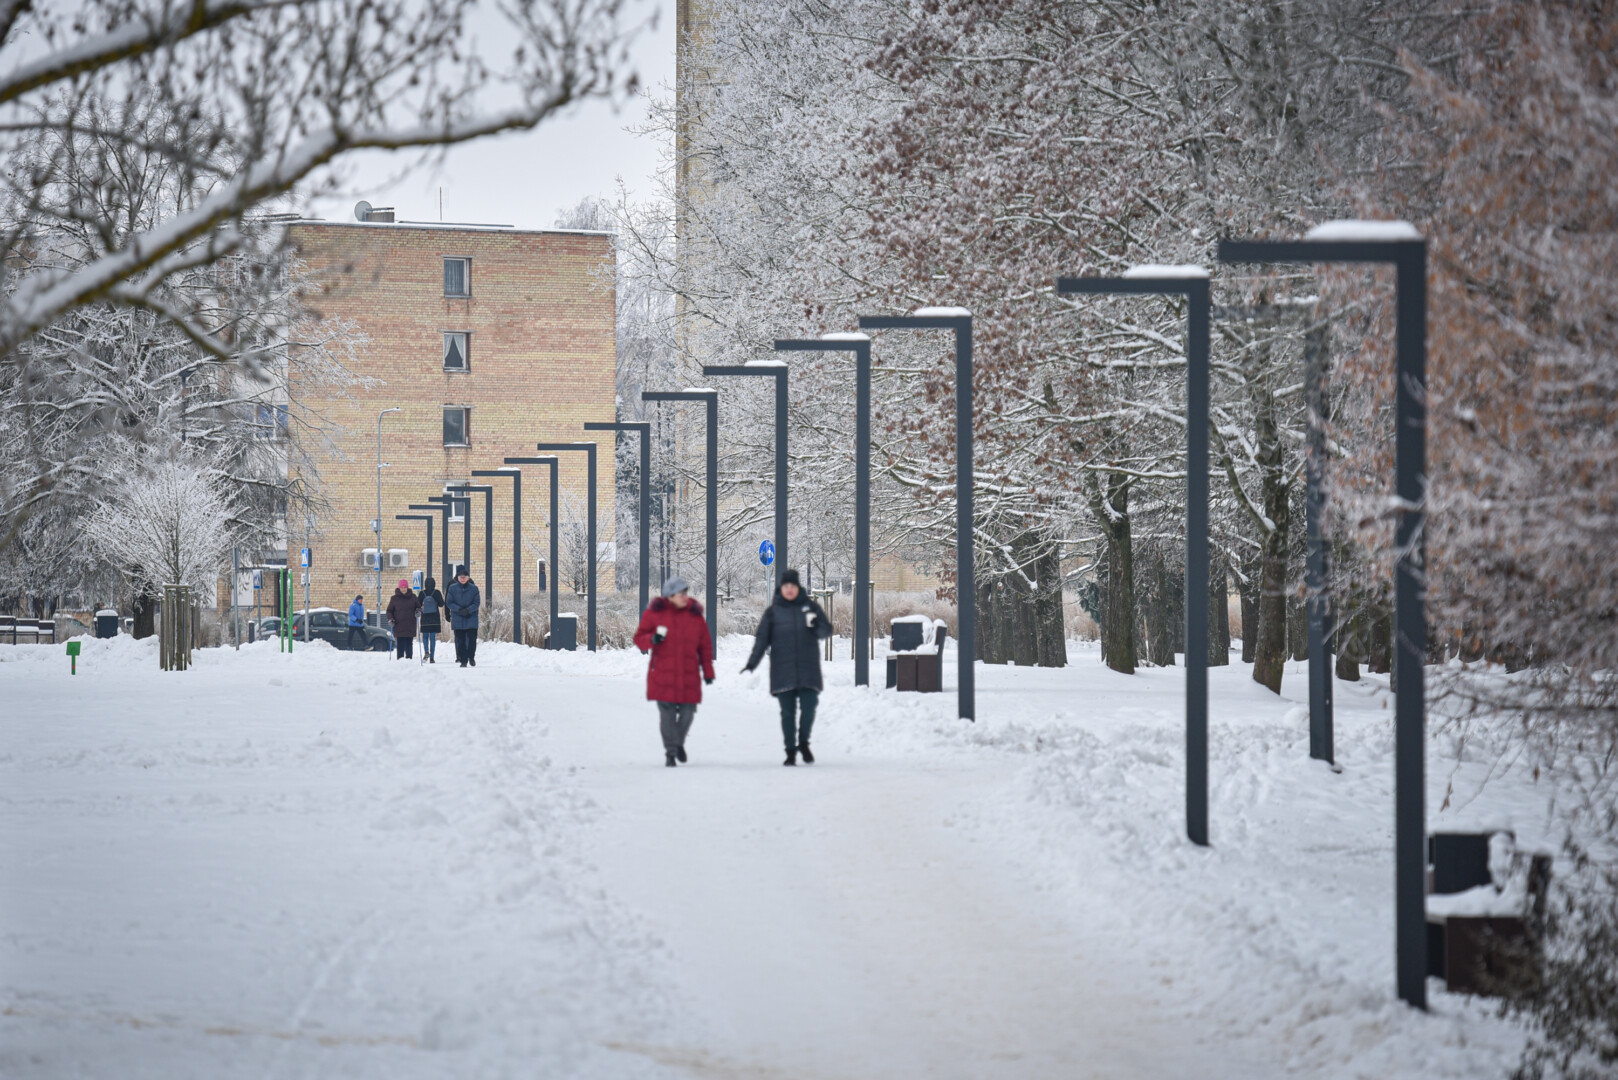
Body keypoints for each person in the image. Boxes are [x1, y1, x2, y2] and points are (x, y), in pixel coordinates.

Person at [742, 568, 833, 766]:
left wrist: (816, 624)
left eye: (792, 586)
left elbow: (825, 632)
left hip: (808, 668)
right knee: (787, 713)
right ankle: (790, 750)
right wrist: (752, 663)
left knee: (809, 708)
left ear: (797, 587)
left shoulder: (810, 608)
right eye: (786, 586)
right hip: (783, 670)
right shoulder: (773, 613)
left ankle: (804, 743)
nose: (789, 590)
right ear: (781, 589)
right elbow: (761, 641)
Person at [632, 576, 716, 767]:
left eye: (685, 593)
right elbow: (639, 638)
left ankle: (678, 743)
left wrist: (708, 672)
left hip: (689, 675)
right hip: (663, 674)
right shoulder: (654, 614)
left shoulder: (695, 615)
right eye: (680, 593)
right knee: (667, 717)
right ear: (669, 596)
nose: (684, 597)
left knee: (687, 714)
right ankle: (671, 753)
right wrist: (652, 639)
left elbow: (705, 647)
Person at [446, 565, 481, 667]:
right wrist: (459, 610)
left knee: (472, 640)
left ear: (468, 578)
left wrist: (468, 610)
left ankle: (471, 656)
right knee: (460, 641)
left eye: (464, 577)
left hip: (471, 618)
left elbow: (476, 602)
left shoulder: (474, 589)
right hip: (458, 618)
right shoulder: (452, 588)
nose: (462, 579)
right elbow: (449, 602)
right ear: (458, 578)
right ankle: (463, 660)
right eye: (461, 577)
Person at [385, 579, 419, 660]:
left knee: (409, 645)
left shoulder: (413, 597)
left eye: (405, 587)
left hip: (410, 625)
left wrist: (418, 612)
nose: (403, 589)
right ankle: (400, 663)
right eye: (402, 587)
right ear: (399, 588)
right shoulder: (394, 598)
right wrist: (391, 619)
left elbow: (418, 607)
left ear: (407, 587)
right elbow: (389, 611)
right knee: (400, 645)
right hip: (398, 625)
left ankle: (409, 661)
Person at [418, 576, 445, 664]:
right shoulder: (436, 592)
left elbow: (418, 605)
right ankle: (432, 657)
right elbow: (441, 604)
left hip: (425, 618)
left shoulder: (422, 593)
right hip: (434, 618)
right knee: (432, 638)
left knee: (425, 637)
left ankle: (426, 652)